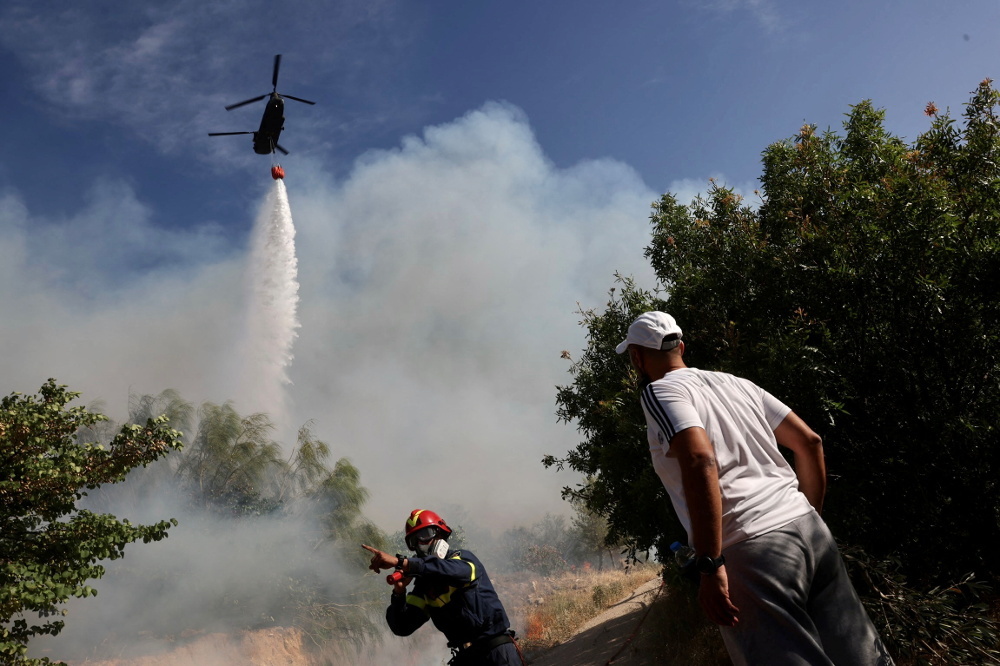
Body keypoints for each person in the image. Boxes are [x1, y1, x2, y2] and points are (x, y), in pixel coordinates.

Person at [617, 311, 893, 666]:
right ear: (682, 346)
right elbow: (809, 442)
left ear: (637, 357)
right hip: (809, 529)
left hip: (751, 548)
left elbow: (700, 460)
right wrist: (804, 522)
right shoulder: (736, 383)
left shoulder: (659, 391)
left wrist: (709, 562)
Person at [362, 509, 524, 666]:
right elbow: (402, 627)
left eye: (424, 536)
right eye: (414, 541)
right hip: (467, 658)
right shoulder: (424, 586)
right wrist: (399, 593)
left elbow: (450, 571)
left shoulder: (463, 559)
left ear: (440, 534)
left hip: (496, 653)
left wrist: (402, 563)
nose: (420, 545)